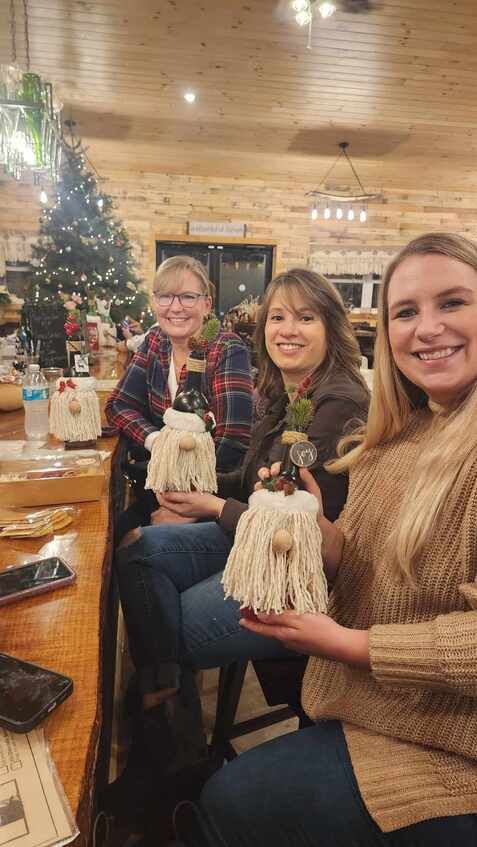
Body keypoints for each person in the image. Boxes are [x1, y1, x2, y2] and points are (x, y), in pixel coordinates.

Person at [173, 232, 477, 847]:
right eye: (405, 312)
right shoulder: (399, 433)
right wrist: (316, 529)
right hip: (364, 701)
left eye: (453, 303)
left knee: (224, 803)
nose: (427, 329)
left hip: (444, 741)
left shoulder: (344, 406)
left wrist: (347, 643)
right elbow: (361, 560)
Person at [115, 267, 369, 744]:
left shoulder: (339, 404)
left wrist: (211, 506)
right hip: (254, 537)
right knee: (135, 547)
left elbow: (300, 530)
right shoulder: (286, 392)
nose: (287, 330)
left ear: (331, 329)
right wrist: (196, 497)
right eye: (277, 317)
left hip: (295, 573)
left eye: (305, 318)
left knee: (171, 622)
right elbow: (256, 480)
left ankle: (172, 737)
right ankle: (170, 711)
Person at [106, 255, 253, 530]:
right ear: (154, 302)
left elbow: (232, 441)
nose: (175, 308)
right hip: (161, 487)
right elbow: (117, 405)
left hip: (212, 497)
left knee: (131, 549)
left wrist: (182, 506)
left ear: (206, 304)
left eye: (187, 297)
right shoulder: (155, 342)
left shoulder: (227, 348)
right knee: (113, 533)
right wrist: (157, 441)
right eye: (165, 297)